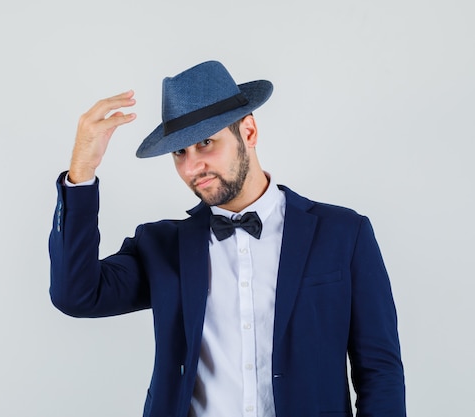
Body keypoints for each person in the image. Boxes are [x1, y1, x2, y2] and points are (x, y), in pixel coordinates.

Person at [48, 61, 406, 417]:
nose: (192, 167)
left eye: (206, 143)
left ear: (248, 133)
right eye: (180, 152)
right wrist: (82, 172)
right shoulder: (161, 247)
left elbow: (380, 372)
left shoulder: (343, 234)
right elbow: (76, 295)